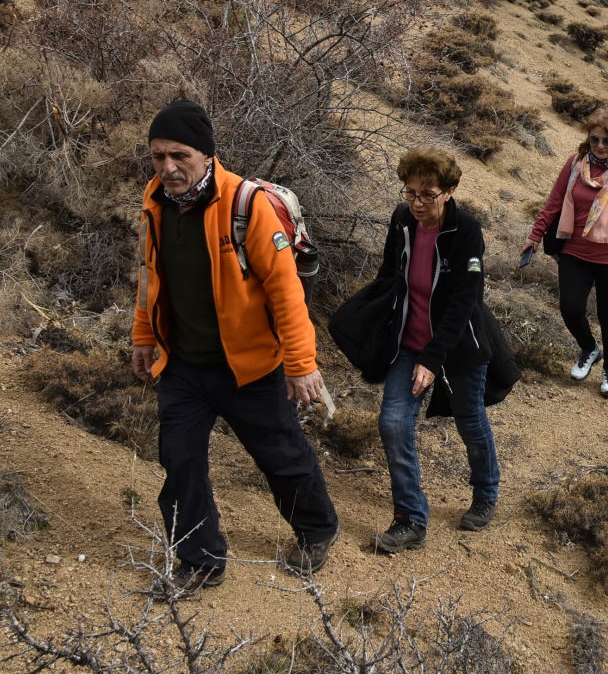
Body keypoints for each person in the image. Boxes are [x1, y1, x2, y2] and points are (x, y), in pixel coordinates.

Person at [132, 99, 338, 593]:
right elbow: (148, 275)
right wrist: (143, 336)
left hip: (250, 366)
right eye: (159, 157)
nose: (168, 167)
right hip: (183, 364)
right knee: (179, 459)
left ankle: (315, 530)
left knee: (281, 457)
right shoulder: (155, 200)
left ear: (206, 154)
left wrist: (301, 362)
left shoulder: (248, 206)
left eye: (179, 155)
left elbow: (286, 290)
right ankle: (200, 560)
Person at [365, 148, 502, 554]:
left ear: (450, 191)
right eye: (410, 193)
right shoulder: (401, 220)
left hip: (457, 346)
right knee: (393, 423)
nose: (418, 203)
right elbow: (389, 276)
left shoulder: (467, 231)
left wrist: (433, 357)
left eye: (428, 194)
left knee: (469, 419)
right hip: (408, 343)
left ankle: (485, 492)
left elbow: (464, 300)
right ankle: (410, 519)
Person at [526, 109, 608, 398]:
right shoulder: (574, 164)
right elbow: (554, 202)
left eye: (607, 141)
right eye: (594, 139)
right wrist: (535, 235)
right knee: (570, 307)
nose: (600, 146)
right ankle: (590, 348)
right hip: (575, 252)